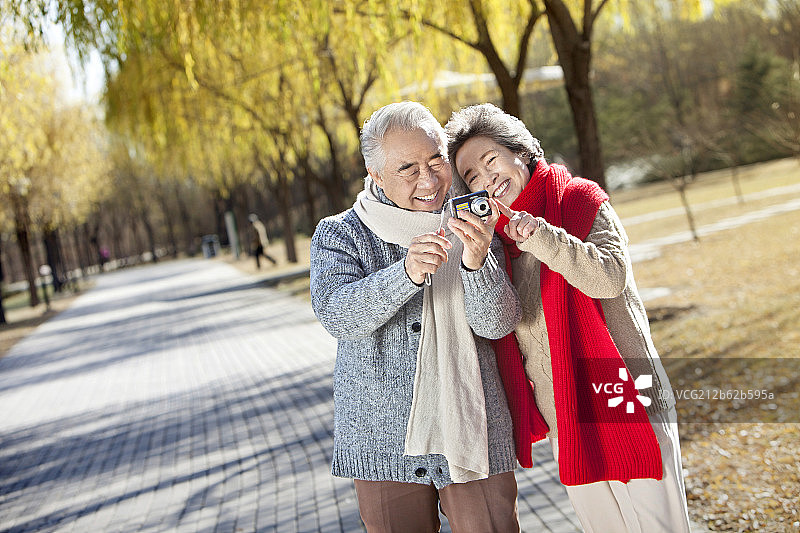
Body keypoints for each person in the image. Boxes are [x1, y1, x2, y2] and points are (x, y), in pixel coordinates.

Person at [445, 103, 691, 533]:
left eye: (491, 161)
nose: (488, 180)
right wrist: (479, 259)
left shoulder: (579, 199)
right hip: (570, 417)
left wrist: (541, 234)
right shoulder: (498, 246)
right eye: (472, 177)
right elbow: (500, 327)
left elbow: (609, 278)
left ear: (520, 150)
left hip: (628, 392)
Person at [310, 101, 523, 532]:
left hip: (474, 430)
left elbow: (497, 324)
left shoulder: (473, 218)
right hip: (383, 443)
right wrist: (404, 274)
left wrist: (478, 261)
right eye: (408, 168)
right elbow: (338, 315)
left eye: (436, 160)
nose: (428, 180)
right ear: (376, 176)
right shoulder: (339, 233)